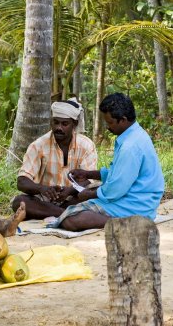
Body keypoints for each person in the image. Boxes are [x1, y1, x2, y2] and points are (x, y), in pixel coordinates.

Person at [47, 93, 165, 231]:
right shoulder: (136, 135)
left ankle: (125, 223)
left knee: (70, 220)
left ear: (123, 120)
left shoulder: (130, 146)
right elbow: (119, 174)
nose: (108, 127)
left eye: (110, 123)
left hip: (135, 205)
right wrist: (88, 174)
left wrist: (89, 194)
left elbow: (116, 188)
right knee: (72, 211)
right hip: (138, 200)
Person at [12, 98, 98, 219]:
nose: (59, 128)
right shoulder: (38, 145)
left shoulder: (86, 145)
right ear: (51, 122)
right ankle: (66, 214)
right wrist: (42, 189)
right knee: (19, 201)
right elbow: (22, 181)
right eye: (56, 122)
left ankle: (56, 213)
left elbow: (90, 179)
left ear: (75, 124)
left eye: (64, 124)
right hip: (45, 200)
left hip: (73, 197)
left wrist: (70, 190)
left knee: (98, 193)